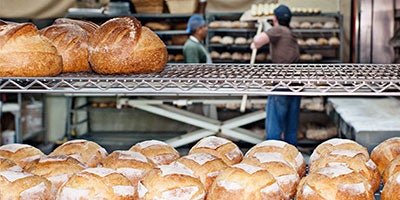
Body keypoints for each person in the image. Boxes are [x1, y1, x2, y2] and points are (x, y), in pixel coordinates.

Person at [250, 5, 301, 146]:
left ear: (275, 18)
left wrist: (254, 43)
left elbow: (258, 40)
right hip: (296, 84)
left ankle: (273, 154)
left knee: (275, 124)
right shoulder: (290, 32)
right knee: (291, 125)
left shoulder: (278, 30)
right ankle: (291, 155)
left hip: (282, 84)